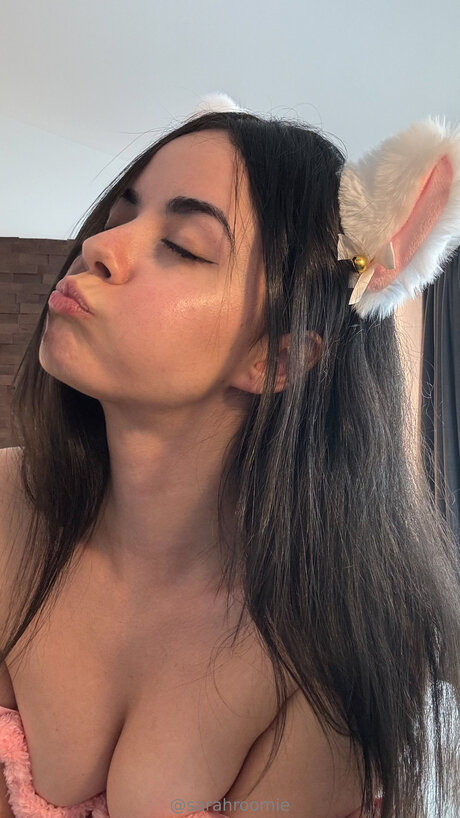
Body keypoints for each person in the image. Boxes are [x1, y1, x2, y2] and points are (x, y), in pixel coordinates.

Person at [0, 92, 459, 818]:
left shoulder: (328, 649)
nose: (99, 248)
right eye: (121, 215)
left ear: (277, 360)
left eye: (183, 246)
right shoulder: (10, 503)